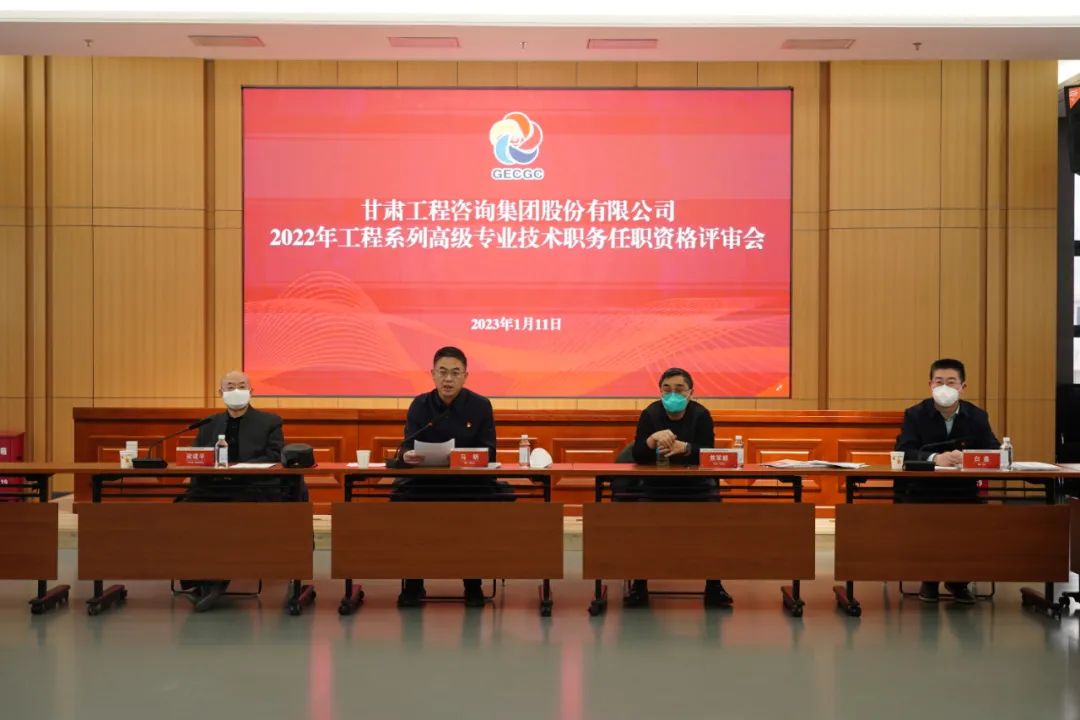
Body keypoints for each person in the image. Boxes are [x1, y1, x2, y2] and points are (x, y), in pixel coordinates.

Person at [394, 346, 502, 608]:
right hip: (426, 483)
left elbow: (489, 451)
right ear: (432, 374)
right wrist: (408, 456)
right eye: (442, 372)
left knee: (477, 510)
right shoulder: (420, 405)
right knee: (404, 504)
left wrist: (459, 458)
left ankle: (473, 584)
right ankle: (413, 583)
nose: (448, 379)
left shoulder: (480, 405)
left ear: (465, 376)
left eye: (455, 373)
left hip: (467, 483)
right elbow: (406, 447)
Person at [182, 370, 289, 612]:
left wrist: (240, 468)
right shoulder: (209, 423)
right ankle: (197, 580)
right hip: (211, 489)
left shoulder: (270, 421)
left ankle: (215, 582)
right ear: (220, 392)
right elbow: (197, 455)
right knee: (185, 513)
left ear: (252, 391)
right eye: (230, 387)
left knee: (228, 518)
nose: (236, 391)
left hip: (251, 488)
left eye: (241, 386)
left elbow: (275, 456)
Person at [895, 358, 1000, 605]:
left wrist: (968, 458)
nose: (944, 387)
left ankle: (959, 581)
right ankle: (929, 579)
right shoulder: (915, 415)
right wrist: (935, 458)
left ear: (963, 387)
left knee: (969, 523)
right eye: (939, 381)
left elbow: (994, 451)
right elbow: (903, 451)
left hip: (964, 491)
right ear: (930, 385)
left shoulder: (976, 416)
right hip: (923, 491)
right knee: (928, 521)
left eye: (951, 382)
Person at [625, 367, 732, 608]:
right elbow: (639, 455)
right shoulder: (650, 414)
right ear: (660, 391)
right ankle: (639, 585)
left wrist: (686, 448)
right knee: (639, 522)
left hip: (696, 487)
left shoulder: (701, 415)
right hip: (656, 487)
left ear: (691, 392)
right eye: (667, 389)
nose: (672, 394)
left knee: (714, 522)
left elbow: (708, 453)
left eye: (679, 389)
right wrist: (651, 441)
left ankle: (714, 586)